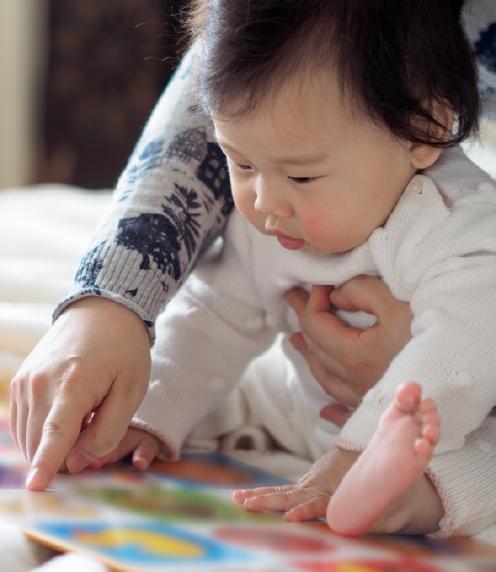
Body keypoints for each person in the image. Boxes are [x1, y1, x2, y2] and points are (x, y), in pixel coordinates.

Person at [9, 0, 495, 536]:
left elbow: (464, 345)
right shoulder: (274, 209)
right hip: (306, 404)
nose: (264, 202)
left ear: (422, 130)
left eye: (302, 177)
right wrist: (150, 413)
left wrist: (359, 448)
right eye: (239, 162)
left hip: (455, 424)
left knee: (480, 465)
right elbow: (214, 315)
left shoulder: (459, 224)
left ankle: (398, 498)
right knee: (234, 392)